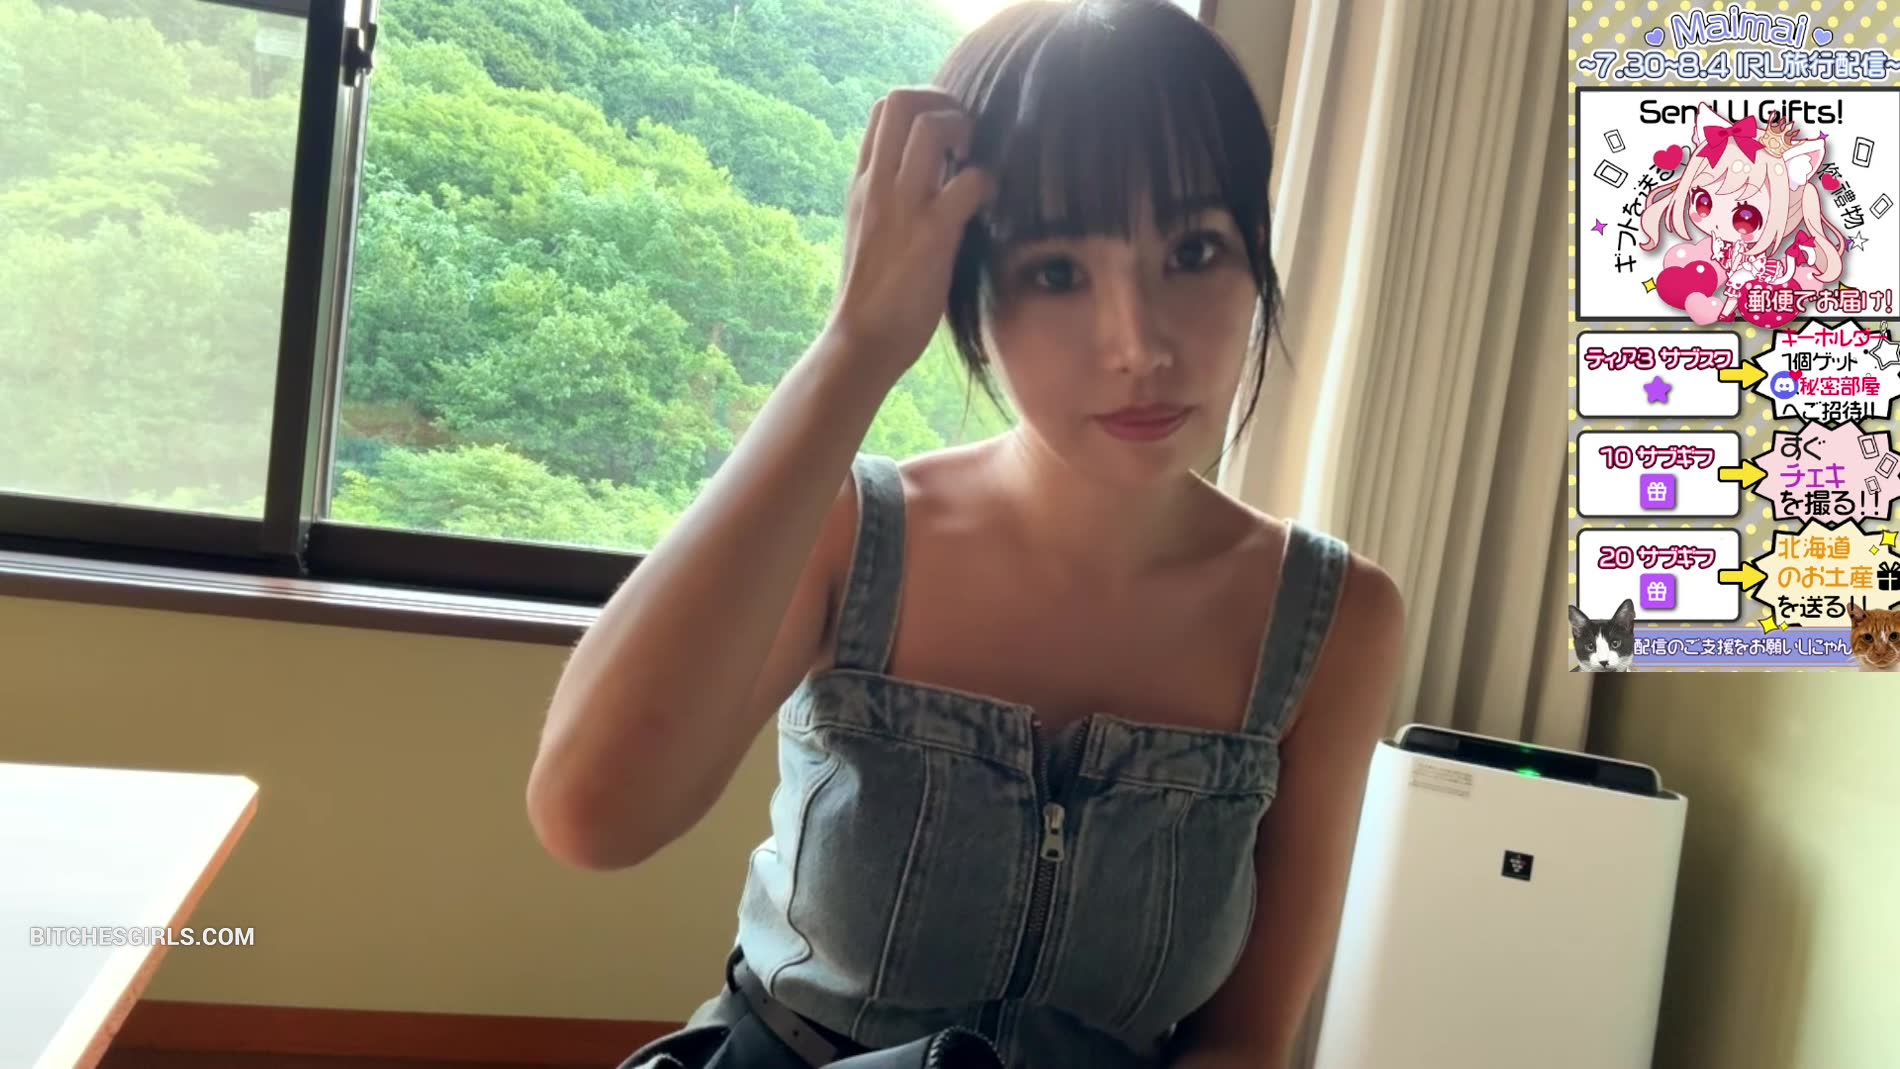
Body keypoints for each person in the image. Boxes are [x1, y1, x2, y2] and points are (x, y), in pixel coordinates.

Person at [526, 2, 1406, 1067]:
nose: (1138, 345)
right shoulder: (852, 533)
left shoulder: (1335, 620)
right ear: (965, 286)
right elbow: (593, 814)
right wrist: (856, 343)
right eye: (1056, 271)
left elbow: (1243, 1039)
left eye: (1193, 249)